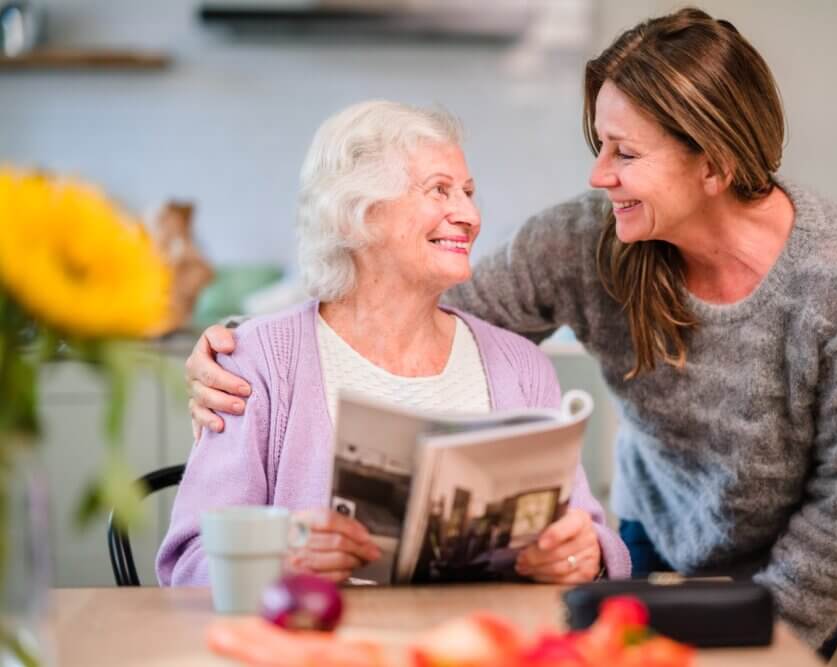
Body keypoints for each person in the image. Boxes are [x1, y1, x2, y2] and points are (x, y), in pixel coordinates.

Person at [183, 8, 837, 660]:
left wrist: (770, 638)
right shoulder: (588, 239)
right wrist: (248, 345)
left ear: (714, 164)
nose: (598, 176)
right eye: (599, 144)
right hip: (663, 521)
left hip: (817, 544)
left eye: (625, 153)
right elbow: (405, 300)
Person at [157, 100, 630, 587]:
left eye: (468, 192)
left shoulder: (522, 366)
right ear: (353, 216)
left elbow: (589, 536)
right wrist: (280, 563)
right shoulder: (257, 362)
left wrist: (581, 555)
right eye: (439, 191)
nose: (468, 214)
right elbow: (191, 559)